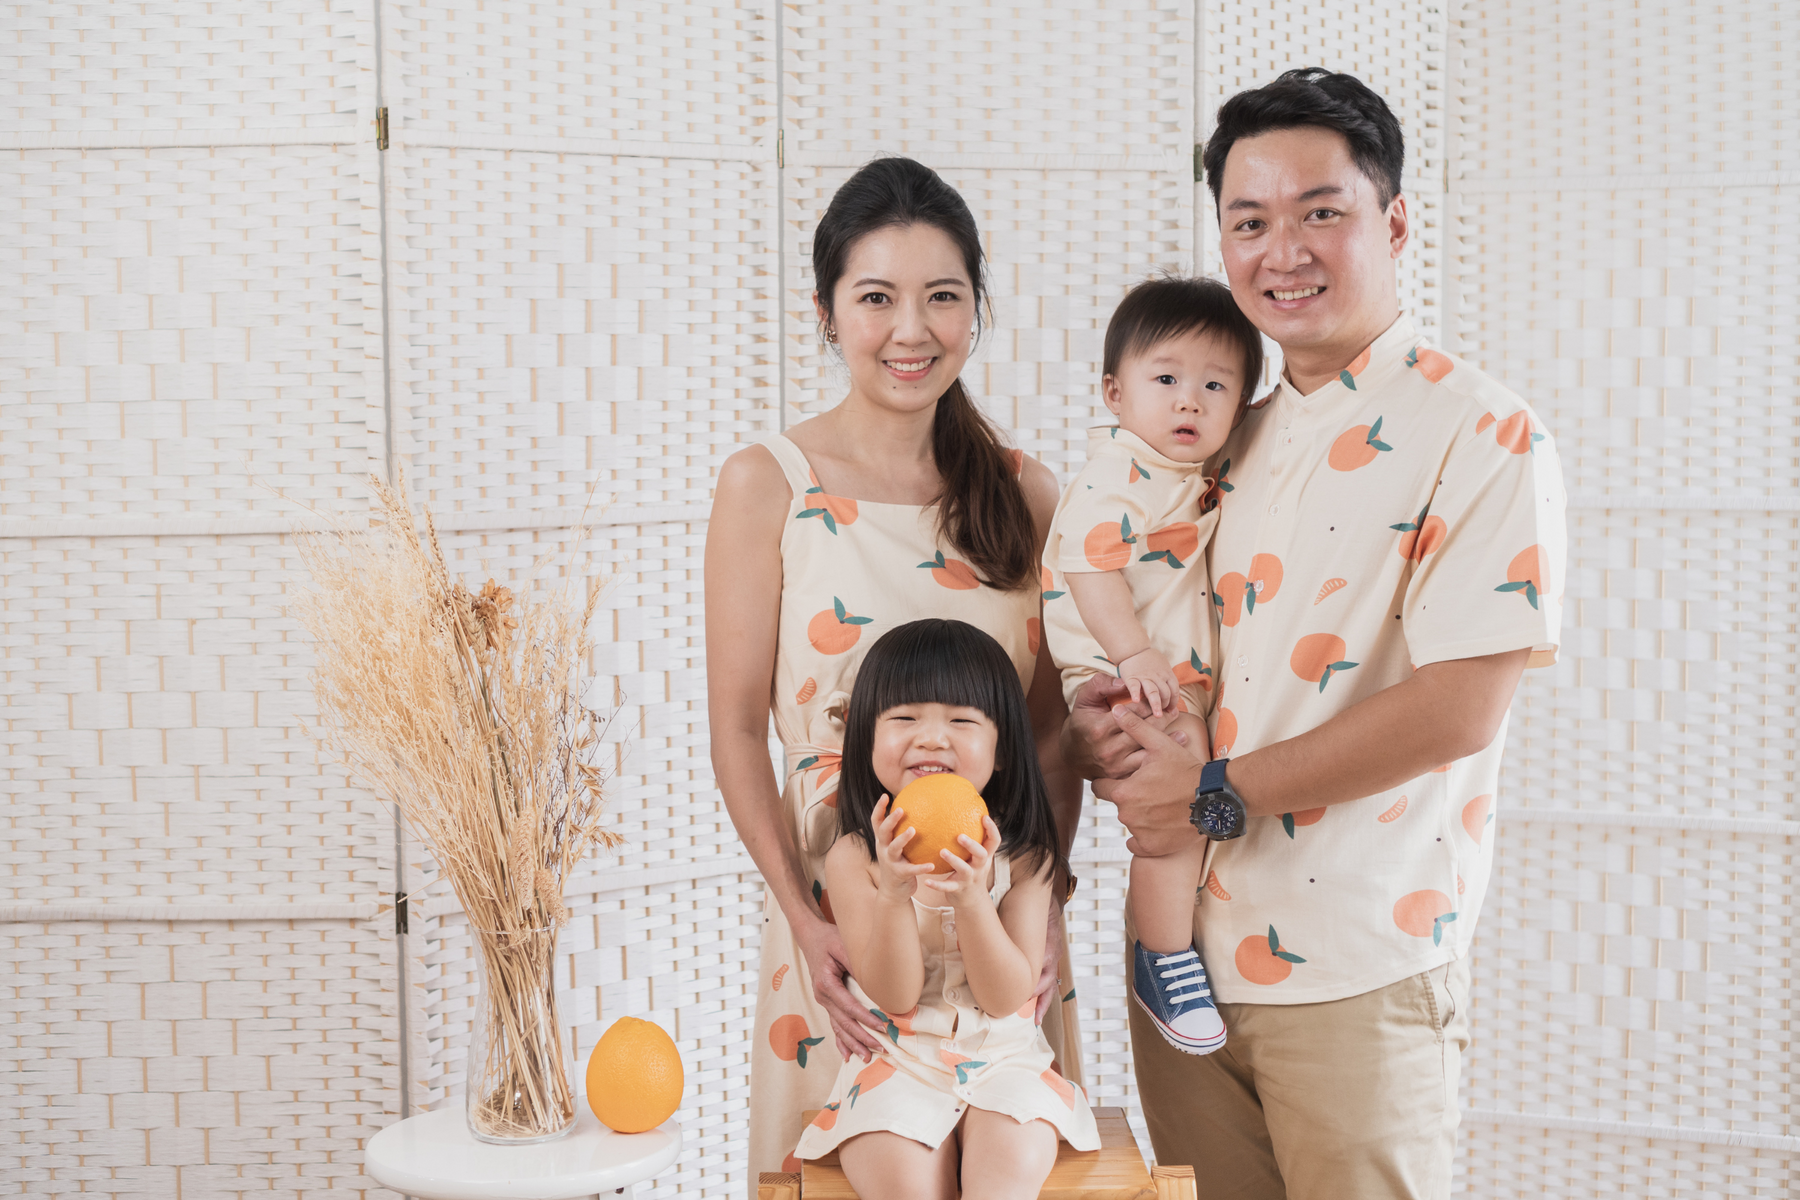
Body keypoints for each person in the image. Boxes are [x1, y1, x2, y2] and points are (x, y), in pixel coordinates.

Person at [1062, 69, 1568, 1199]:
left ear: (1395, 221)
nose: (1280, 250)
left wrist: (1209, 796)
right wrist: (1101, 726)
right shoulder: (1219, 434)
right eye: (1248, 221)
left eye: (1319, 212)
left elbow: (1459, 709)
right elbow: (1155, 633)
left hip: (1357, 966)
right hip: (1184, 963)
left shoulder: (1483, 431)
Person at [704, 156, 1086, 1185]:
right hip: (844, 916)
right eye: (876, 298)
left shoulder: (1027, 494)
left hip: (997, 913)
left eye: (941, 297)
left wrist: (1044, 905)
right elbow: (737, 729)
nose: (910, 330)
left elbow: (1047, 734)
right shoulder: (767, 484)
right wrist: (805, 920)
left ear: (976, 309)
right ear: (826, 312)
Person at [793, 620, 1099, 1200]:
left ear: (1002, 749)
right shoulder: (854, 858)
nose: (932, 739)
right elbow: (895, 995)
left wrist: (973, 900)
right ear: (866, 740)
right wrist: (892, 893)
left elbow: (1005, 997)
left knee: (1006, 1171)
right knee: (902, 1184)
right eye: (904, 718)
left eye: (962, 721)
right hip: (897, 1060)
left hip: (1005, 1060)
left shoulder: (1028, 857)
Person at [1040, 277, 1263, 1055]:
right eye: (1165, 379)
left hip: (1162, 675)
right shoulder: (1122, 472)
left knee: (1190, 797)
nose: (1189, 401)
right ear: (1115, 393)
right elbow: (1088, 565)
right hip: (1118, 674)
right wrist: (1132, 653)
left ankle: (1172, 943)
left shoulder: (1187, 474)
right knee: (1178, 802)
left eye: (1216, 386)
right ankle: (1163, 957)